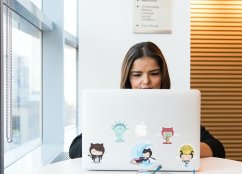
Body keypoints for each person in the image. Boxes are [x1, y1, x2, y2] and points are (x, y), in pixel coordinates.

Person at [69, 41, 225, 159]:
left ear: (162, 76)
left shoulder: (176, 107)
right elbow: (75, 148)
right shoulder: (115, 107)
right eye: (137, 75)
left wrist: (174, 149)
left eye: (154, 73)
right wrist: (118, 148)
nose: (146, 82)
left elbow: (217, 148)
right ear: (128, 79)